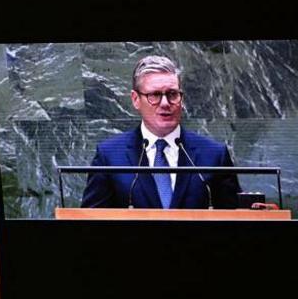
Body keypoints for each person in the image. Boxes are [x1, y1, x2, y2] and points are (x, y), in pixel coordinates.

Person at [83, 55, 239, 210]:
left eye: (172, 94)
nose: (165, 103)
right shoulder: (110, 156)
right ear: (136, 99)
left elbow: (236, 217)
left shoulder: (214, 155)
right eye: (155, 95)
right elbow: (89, 218)